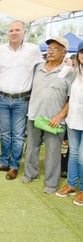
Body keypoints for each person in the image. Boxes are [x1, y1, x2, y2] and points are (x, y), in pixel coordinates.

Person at [0, 20, 43, 180]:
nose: (14, 32)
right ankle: (4, 162)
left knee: (18, 135)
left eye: (17, 30)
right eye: (11, 30)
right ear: (7, 33)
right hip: (3, 99)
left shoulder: (33, 50)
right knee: (5, 134)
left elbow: (40, 72)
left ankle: (14, 166)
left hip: (22, 99)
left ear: (24, 32)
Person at [20, 37, 74, 194]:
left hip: (54, 119)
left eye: (56, 48)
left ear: (64, 52)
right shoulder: (38, 68)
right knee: (32, 147)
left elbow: (72, 98)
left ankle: (51, 183)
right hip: (34, 115)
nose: (50, 51)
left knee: (53, 151)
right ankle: (30, 174)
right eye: (49, 48)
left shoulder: (70, 72)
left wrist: (60, 116)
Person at [56, 41, 83, 205]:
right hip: (73, 120)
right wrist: (68, 64)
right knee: (73, 153)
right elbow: (60, 77)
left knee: (82, 157)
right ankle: (72, 185)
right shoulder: (75, 73)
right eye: (82, 52)